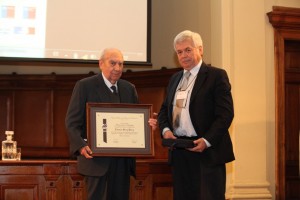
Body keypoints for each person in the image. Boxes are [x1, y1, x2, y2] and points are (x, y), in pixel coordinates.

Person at [65, 48, 157, 200]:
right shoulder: (85, 86)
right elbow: (72, 122)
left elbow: (137, 121)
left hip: (122, 163)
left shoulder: (129, 88)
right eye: (113, 63)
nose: (118, 68)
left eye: (121, 64)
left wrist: (148, 126)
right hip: (95, 162)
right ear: (101, 64)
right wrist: (80, 145)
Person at [158, 30, 235, 200]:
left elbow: (226, 114)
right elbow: (164, 110)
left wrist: (207, 141)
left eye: (188, 50)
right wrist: (165, 130)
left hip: (206, 152)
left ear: (200, 49)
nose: (183, 55)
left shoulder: (216, 75)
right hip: (179, 151)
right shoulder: (175, 78)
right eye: (179, 52)